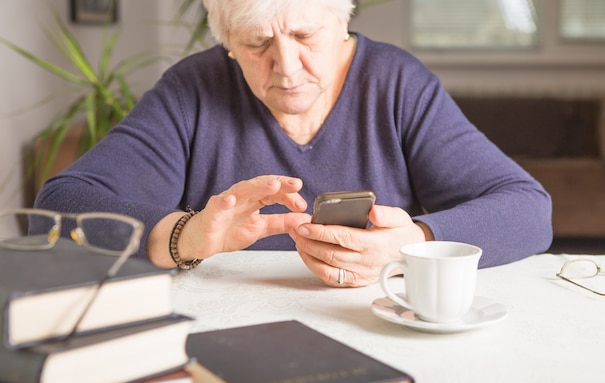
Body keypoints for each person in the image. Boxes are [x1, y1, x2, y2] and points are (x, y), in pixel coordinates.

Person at [35, 0, 552, 287]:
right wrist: (186, 237)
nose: (286, 68)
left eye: (305, 37)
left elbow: (529, 211)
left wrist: (411, 243)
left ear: (341, 25)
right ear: (230, 48)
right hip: (220, 334)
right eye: (258, 44)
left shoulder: (397, 83)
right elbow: (59, 207)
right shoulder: (192, 89)